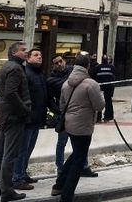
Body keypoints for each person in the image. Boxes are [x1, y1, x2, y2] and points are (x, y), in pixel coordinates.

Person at [51, 53, 105, 202]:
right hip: (84, 125)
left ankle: (59, 185)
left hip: (69, 124)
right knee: (79, 160)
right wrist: (101, 95)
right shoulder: (91, 84)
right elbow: (99, 106)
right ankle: (66, 195)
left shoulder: (66, 83)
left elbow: (62, 105)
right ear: (87, 66)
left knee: (77, 154)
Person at [0, 41, 31, 201]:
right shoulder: (15, 68)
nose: (26, 53)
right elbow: (11, 93)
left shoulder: (7, 66)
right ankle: (7, 191)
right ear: (14, 53)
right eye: (23, 50)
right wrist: (24, 110)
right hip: (13, 117)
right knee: (9, 155)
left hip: (4, 115)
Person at [47, 56, 96, 178]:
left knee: (80, 144)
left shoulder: (73, 72)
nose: (59, 64)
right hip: (64, 114)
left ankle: (83, 166)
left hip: (78, 114)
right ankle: (60, 167)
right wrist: (58, 111)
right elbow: (49, 100)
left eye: (60, 61)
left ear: (64, 61)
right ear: (53, 65)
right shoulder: (51, 80)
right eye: (56, 63)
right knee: (62, 142)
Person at [12, 48, 47, 190]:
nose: (39, 57)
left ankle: (23, 173)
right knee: (22, 150)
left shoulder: (40, 73)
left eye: (40, 55)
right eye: (36, 55)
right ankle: (17, 177)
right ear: (28, 58)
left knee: (29, 148)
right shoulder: (26, 73)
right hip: (27, 119)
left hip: (37, 118)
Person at [95, 55, 116, 122]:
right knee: (108, 101)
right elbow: (115, 76)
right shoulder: (111, 67)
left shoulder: (98, 67)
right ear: (107, 60)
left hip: (99, 87)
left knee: (99, 102)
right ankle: (108, 116)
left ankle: (98, 117)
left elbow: (94, 76)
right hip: (108, 87)